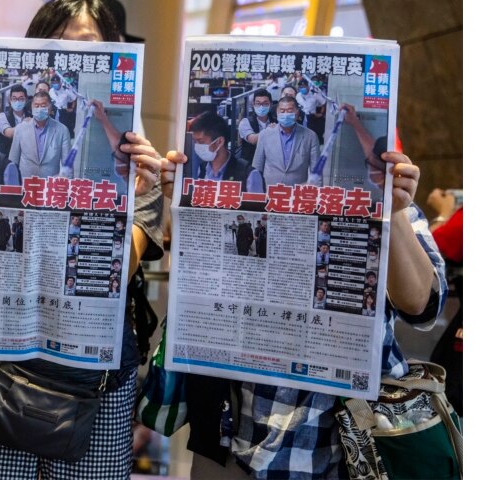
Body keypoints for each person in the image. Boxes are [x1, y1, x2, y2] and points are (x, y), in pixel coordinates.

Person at [0, 0, 164, 478]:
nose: (68, 60)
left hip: (95, 386)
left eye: (87, 47)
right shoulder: (3, 139)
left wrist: (131, 188)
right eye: (54, 46)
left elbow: (118, 267)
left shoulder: (139, 164)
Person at [161, 141, 447, 479]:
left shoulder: (376, 198)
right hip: (232, 430)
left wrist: (394, 209)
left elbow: (420, 304)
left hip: (349, 442)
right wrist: (181, 195)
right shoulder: (240, 190)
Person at [252, 95, 321, 187]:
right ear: (276, 113)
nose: (285, 114)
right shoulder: (265, 135)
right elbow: (257, 167)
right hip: (269, 191)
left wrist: (315, 194)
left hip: (298, 192)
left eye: (290, 111)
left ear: (297, 113)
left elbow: (316, 171)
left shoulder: (310, 136)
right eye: (282, 111)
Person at [189, 111, 262, 192]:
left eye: (201, 141)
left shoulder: (249, 175)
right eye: (195, 141)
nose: (197, 146)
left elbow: (254, 204)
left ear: (219, 142)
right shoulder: (202, 169)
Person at [8, 90, 74, 179]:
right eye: (36, 106)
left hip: (51, 185)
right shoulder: (20, 129)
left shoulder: (62, 130)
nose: (39, 109)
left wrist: (67, 187)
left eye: (43, 106)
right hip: (25, 184)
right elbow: (13, 160)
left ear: (50, 108)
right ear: (31, 107)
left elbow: (67, 165)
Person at [237, 90, 276, 164]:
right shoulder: (245, 122)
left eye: (265, 104)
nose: (261, 106)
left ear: (270, 104)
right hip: (250, 165)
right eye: (258, 103)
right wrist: (269, 130)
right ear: (253, 104)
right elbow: (253, 140)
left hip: (271, 164)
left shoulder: (276, 121)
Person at [0, 85, 30, 155]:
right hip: (6, 158)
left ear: (26, 100)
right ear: (10, 100)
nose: (17, 101)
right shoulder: (2, 117)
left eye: (21, 99)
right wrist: (24, 124)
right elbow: (9, 133)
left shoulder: (31, 116)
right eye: (14, 99)